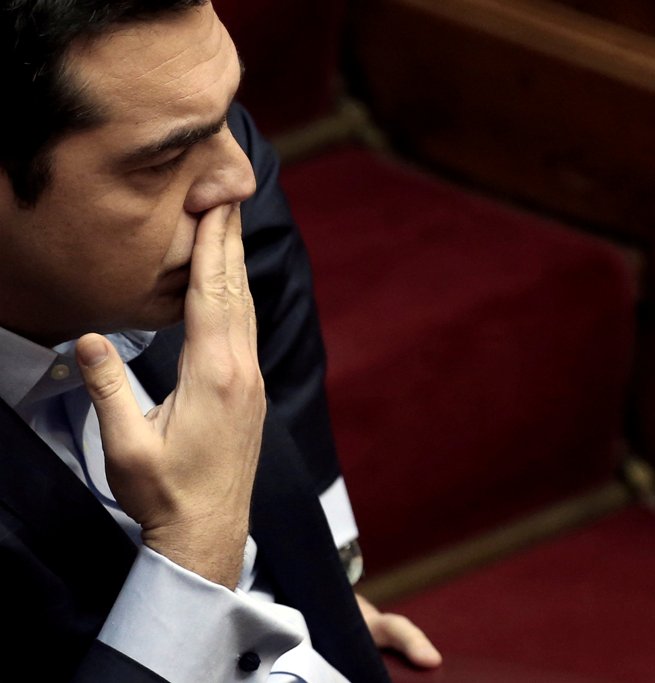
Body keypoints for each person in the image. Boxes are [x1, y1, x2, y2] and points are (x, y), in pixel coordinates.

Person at [0, 1, 440, 680]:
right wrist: (194, 549)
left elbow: (261, 248)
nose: (237, 176)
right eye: (164, 161)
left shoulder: (182, 118)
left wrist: (323, 571)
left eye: (228, 113)